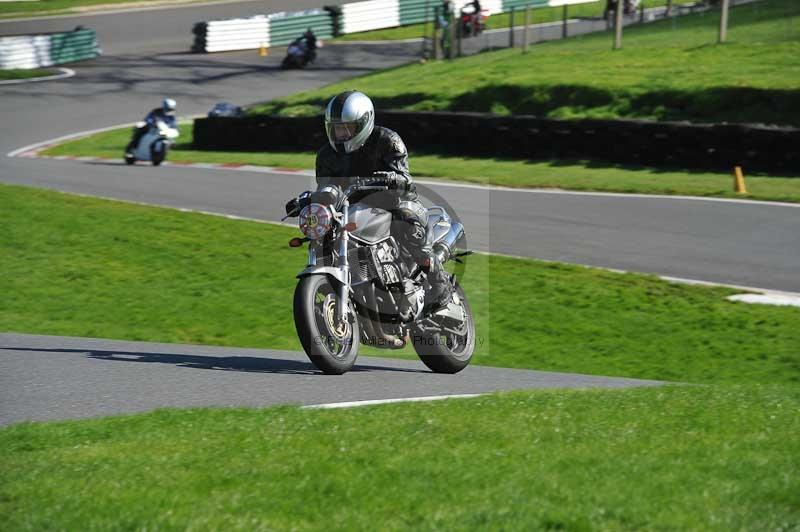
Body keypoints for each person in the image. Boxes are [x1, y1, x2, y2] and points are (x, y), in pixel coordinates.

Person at [314, 90, 453, 312]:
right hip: (353, 210)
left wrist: (392, 178)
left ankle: (440, 283)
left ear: (363, 123)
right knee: (324, 232)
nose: (341, 134)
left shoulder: (387, 140)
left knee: (406, 222)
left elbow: (405, 179)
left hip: (393, 202)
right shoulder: (326, 156)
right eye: (336, 128)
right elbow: (326, 189)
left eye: (347, 128)